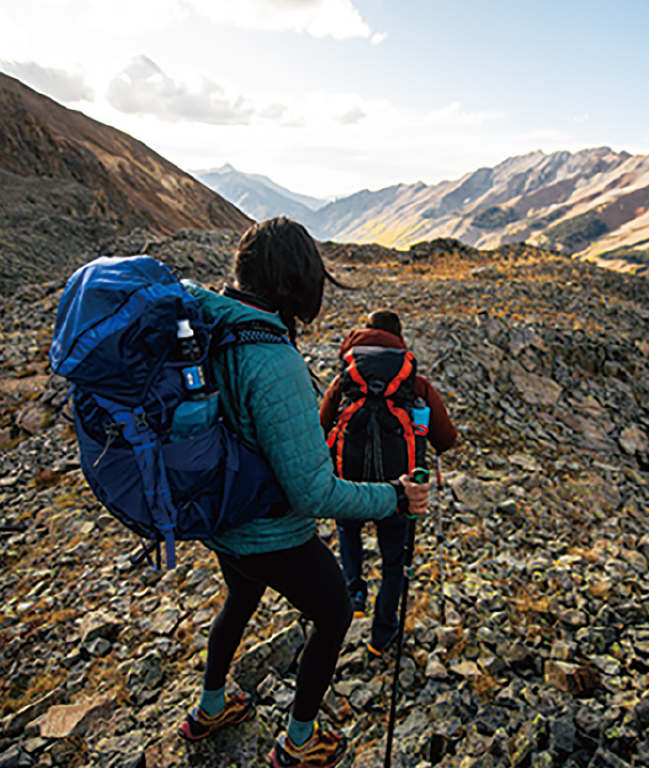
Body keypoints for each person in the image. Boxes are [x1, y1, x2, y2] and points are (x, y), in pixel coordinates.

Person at [177, 218, 429, 768]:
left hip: (222, 516)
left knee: (241, 598)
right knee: (334, 613)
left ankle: (211, 706)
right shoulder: (273, 359)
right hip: (269, 528)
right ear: (297, 282)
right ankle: (299, 740)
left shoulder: (212, 326)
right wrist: (394, 495)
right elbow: (314, 492)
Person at [319, 310, 457, 657]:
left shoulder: (345, 378)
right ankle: (381, 636)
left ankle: (355, 596)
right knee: (394, 559)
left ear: (365, 334)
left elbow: (321, 426)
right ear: (399, 339)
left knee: (348, 530)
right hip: (401, 488)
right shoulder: (414, 382)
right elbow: (447, 439)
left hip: (348, 480)